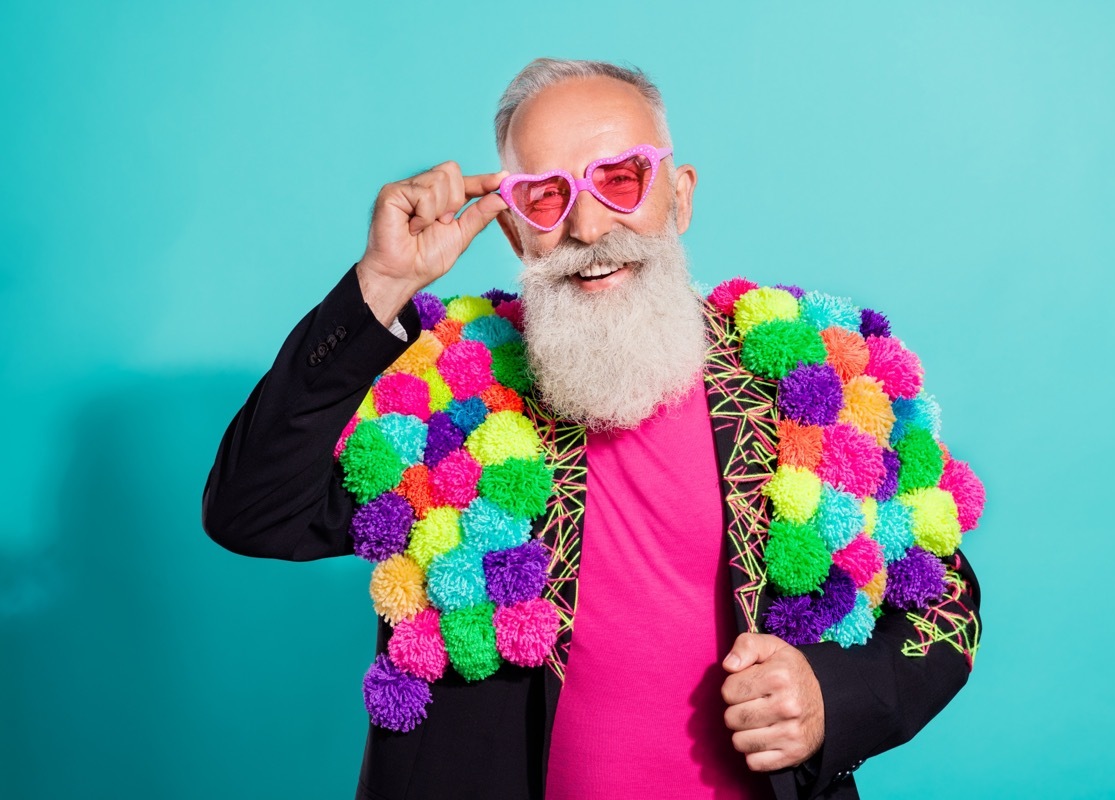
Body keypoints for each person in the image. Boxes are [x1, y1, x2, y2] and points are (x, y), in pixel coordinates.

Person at [202, 58, 983, 800]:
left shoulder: (814, 380)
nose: (585, 225)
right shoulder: (443, 394)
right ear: (514, 232)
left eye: (620, 178)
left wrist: (828, 696)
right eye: (545, 195)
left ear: (678, 196)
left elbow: (945, 607)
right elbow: (252, 509)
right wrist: (381, 285)